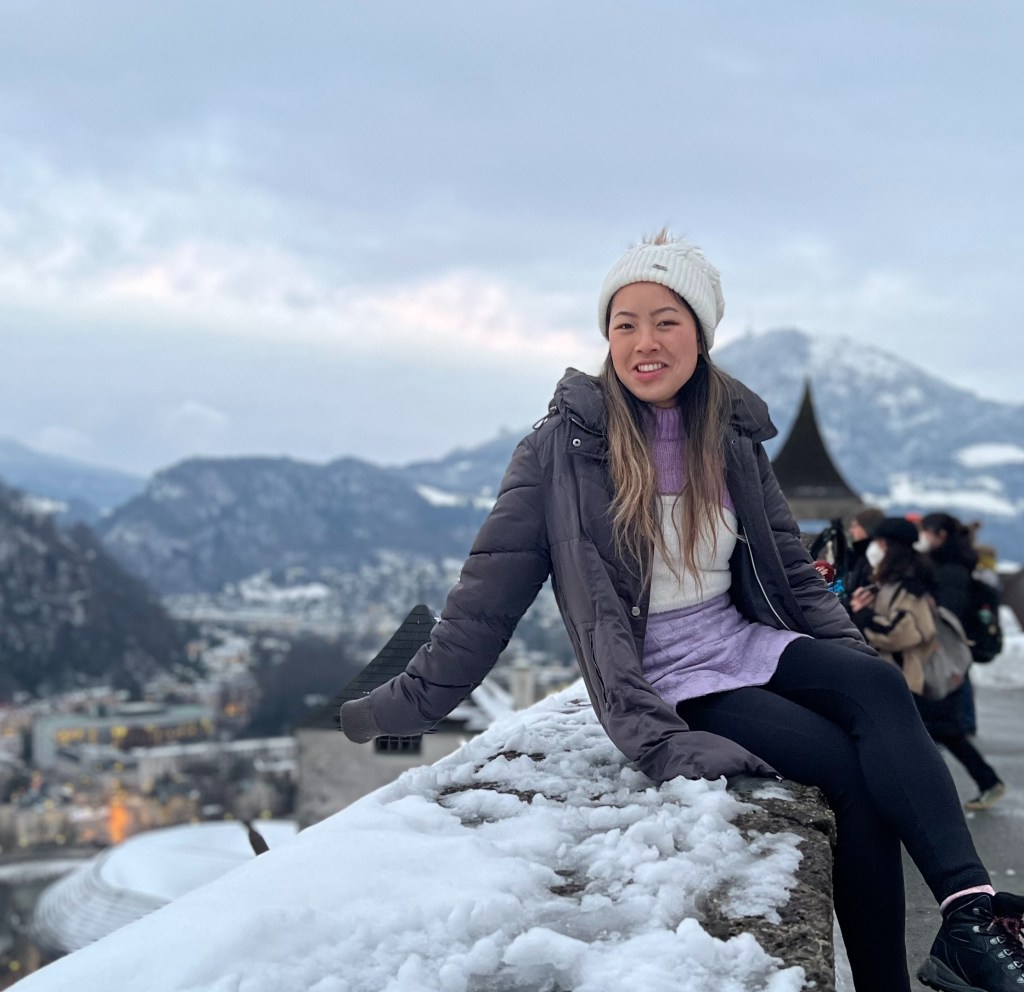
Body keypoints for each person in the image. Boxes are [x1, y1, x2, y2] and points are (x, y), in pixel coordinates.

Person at [340, 231, 1022, 992]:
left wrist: (847, 661)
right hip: (665, 676)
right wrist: (379, 713)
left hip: (742, 641)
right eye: (624, 323)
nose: (643, 342)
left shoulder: (729, 437)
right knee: (846, 774)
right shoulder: (558, 452)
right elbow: (481, 609)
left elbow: (792, 578)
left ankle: (969, 914)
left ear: (700, 333)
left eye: (665, 320)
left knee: (879, 687)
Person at [918, 512, 1006, 807]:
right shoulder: (955, 564)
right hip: (947, 657)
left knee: (942, 727)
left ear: (939, 535)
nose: (923, 538)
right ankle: (985, 782)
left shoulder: (948, 570)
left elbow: (947, 617)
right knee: (941, 727)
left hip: (942, 657)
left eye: (925, 531)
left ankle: (987, 781)